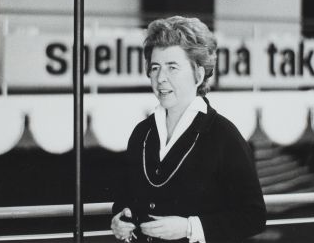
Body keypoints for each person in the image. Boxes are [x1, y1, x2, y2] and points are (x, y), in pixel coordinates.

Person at [111, 16, 266, 243]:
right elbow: (125, 198)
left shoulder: (223, 135)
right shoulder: (141, 133)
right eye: (155, 68)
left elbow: (253, 216)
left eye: (172, 68)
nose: (160, 78)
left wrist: (190, 228)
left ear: (199, 75)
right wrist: (119, 219)